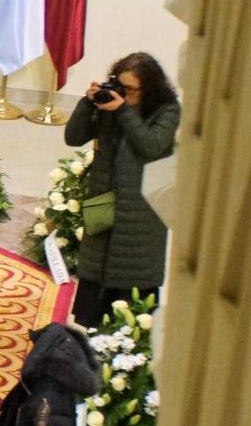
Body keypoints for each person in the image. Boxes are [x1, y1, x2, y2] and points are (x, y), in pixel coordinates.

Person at [63, 52, 180, 329]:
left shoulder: (168, 110)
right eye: (121, 86)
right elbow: (73, 138)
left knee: (131, 298)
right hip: (103, 203)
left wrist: (123, 111)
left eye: (131, 90)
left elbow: (151, 145)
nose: (124, 94)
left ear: (149, 88)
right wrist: (87, 104)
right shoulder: (110, 107)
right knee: (95, 284)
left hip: (139, 212)